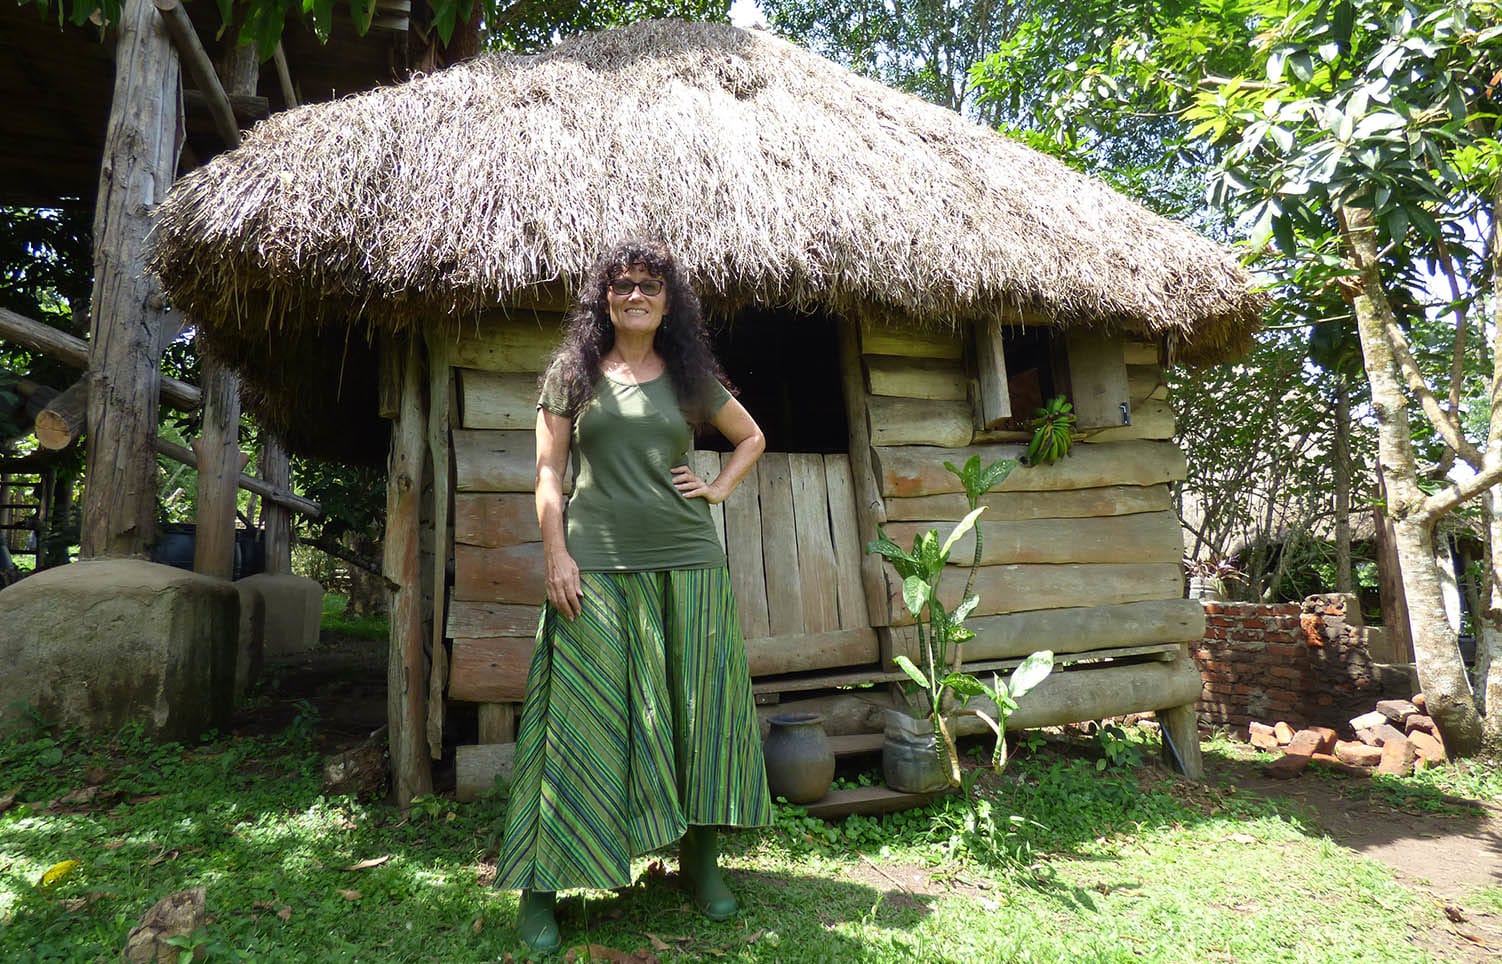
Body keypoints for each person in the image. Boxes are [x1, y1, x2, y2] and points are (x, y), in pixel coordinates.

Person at [494, 238, 772, 953]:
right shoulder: (572, 374)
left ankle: (700, 866)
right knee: (576, 723)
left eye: (649, 285)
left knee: (696, 712)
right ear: (604, 298)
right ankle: (540, 889)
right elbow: (548, 474)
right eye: (621, 286)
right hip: (598, 566)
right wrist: (556, 554)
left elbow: (751, 438)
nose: (636, 294)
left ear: (668, 300)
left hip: (689, 560)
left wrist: (715, 488)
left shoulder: (689, 377)